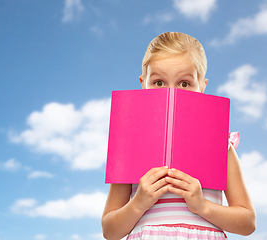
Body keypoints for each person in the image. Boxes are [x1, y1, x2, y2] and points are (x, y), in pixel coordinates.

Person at [101, 32, 256, 240]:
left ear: (202, 86)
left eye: (184, 83)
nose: (171, 93)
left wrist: (202, 206)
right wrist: (138, 203)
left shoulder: (220, 144)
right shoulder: (130, 143)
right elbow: (110, 231)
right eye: (158, 82)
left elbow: (248, 222)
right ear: (143, 84)